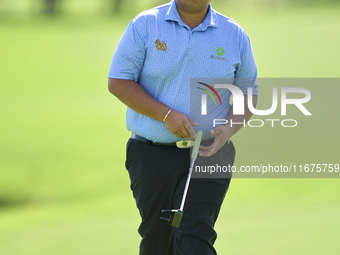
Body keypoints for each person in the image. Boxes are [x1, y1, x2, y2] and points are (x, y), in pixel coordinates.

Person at [108, 0, 258, 254]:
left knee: (195, 237)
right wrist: (165, 115)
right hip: (151, 153)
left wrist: (229, 128)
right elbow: (119, 81)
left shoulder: (234, 33)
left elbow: (249, 92)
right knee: (158, 241)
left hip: (210, 154)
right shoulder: (145, 24)